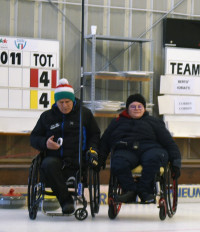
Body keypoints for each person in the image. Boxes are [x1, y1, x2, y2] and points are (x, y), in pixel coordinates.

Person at [29, 78, 101, 215]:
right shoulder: (46, 117)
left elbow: (95, 134)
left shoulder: (84, 114)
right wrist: (45, 143)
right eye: (61, 102)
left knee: (79, 166)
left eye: (67, 102)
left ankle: (69, 188)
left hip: (78, 160)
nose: (64, 106)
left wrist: (93, 150)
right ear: (56, 102)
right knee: (48, 164)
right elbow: (34, 138)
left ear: (72, 100)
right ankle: (66, 201)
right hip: (54, 161)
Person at [100, 93, 182, 204]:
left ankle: (145, 192)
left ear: (144, 108)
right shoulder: (117, 122)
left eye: (139, 106)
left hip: (151, 149)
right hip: (126, 149)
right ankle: (130, 191)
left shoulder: (154, 122)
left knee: (154, 158)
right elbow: (105, 141)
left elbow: (169, 143)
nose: (136, 109)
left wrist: (176, 163)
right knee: (118, 161)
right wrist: (99, 159)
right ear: (127, 109)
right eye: (133, 106)